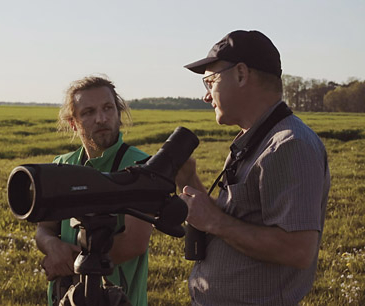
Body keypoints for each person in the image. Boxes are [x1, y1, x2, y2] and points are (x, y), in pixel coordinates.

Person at [176, 30, 331, 305]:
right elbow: (239, 218)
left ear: (241, 74)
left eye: (210, 81)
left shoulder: (289, 145)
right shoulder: (258, 139)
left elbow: (297, 249)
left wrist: (213, 221)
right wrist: (189, 179)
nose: (206, 96)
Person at [35, 76, 152, 306]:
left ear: (118, 113)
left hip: (118, 299)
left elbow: (134, 242)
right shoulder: (62, 165)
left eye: (108, 108)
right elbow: (44, 230)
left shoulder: (139, 166)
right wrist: (52, 246)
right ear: (73, 122)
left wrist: (65, 261)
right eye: (88, 112)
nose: (101, 119)